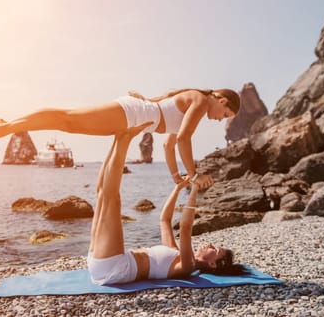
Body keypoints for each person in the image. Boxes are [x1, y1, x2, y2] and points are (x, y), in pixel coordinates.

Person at [0, 88, 240, 188]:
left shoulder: (194, 105)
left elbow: (170, 144)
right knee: (68, 119)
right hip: (131, 114)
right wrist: (193, 174)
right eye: (224, 113)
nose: (219, 119)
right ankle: (5, 127)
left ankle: (6, 126)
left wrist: (176, 177)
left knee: (70, 123)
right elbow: (183, 139)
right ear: (222, 99)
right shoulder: (201, 100)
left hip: (134, 118)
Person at [87, 122, 247, 285]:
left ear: (212, 264)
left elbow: (185, 228)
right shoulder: (175, 253)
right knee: (102, 194)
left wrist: (195, 189)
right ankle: (118, 137)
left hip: (115, 268)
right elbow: (165, 220)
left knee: (112, 198)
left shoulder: (188, 266)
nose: (210, 245)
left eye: (215, 250)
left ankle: (124, 139)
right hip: (105, 263)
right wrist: (177, 189)